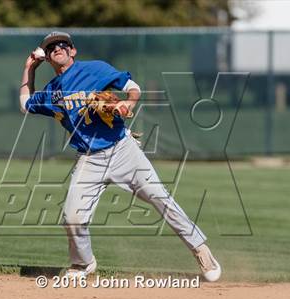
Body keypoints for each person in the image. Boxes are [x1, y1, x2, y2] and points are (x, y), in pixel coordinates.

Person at [19, 31, 221, 282]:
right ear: (47, 57)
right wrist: (30, 68)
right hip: (89, 158)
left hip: (122, 150)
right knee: (72, 218)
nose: (56, 48)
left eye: (62, 44)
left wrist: (129, 104)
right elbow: (25, 103)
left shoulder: (94, 70)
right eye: (50, 48)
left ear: (73, 51)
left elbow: (132, 87)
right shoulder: (52, 92)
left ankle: (201, 250)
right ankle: (83, 263)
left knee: (161, 199)